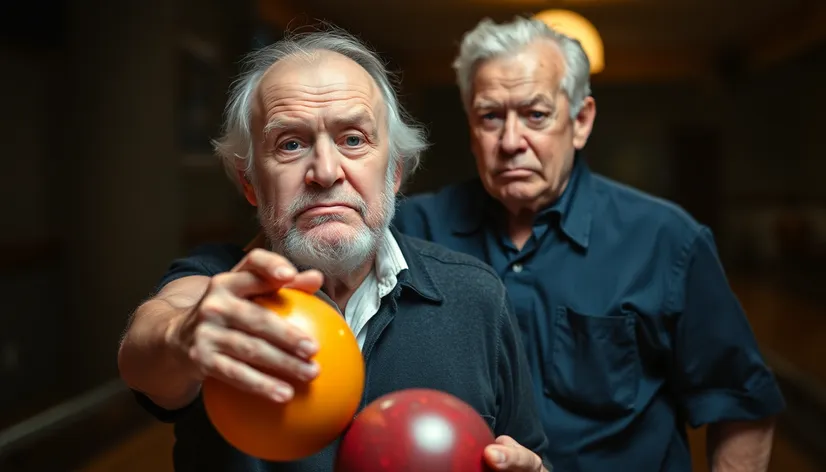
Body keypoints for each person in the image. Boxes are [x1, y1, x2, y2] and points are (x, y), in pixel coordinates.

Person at [117, 29, 552, 472]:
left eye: (353, 140)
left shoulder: (475, 296)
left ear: (395, 172)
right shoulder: (218, 288)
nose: (326, 172)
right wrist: (183, 336)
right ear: (250, 181)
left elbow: (530, 453)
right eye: (290, 144)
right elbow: (150, 344)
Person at [391, 16, 786, 472]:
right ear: (471, 128)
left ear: (580, 121)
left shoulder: (664, 239)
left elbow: (740, 402)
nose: (511, 141)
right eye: (490, 117)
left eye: (536, 115)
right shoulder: (411, 232)